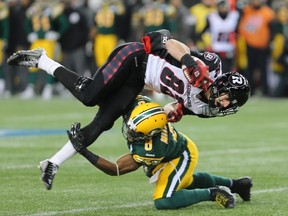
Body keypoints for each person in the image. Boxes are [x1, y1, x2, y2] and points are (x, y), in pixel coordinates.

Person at [7, 29, 251, 190]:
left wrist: (167, 114)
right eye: (230, 99)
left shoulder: (207, 109)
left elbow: (177, 108)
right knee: (90, 97)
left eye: (232, 105)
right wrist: (189, 63)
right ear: (223, 85)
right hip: (135, 58)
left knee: (104, 122)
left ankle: (53, 162)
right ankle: (42, 60)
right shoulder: (210, 65)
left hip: (140, 81)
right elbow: (169, 41)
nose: (226, 106)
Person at [68, 98, 253, 210]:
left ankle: (213, 193)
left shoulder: (152, 149)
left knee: (164, 200)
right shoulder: (141, 106)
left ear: (151, 134)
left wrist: (84, 151)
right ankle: (238, 185)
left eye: (137, 133)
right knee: (187, 181)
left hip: (180, 155)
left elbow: (116, 169)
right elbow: (121, 97)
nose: (131, 132)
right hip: (175, 149)